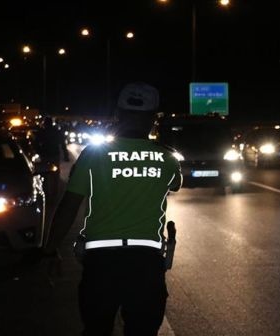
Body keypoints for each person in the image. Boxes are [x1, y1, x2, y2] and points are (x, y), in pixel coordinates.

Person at [42, 82, 182, 336]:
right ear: (153, 119)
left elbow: (68, 206)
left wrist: (49, 250)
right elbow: (174, 185)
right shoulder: (167, 158)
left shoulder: (93, 155)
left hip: (100, 264)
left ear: (118, 115)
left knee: (96, 329)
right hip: (145, 264)